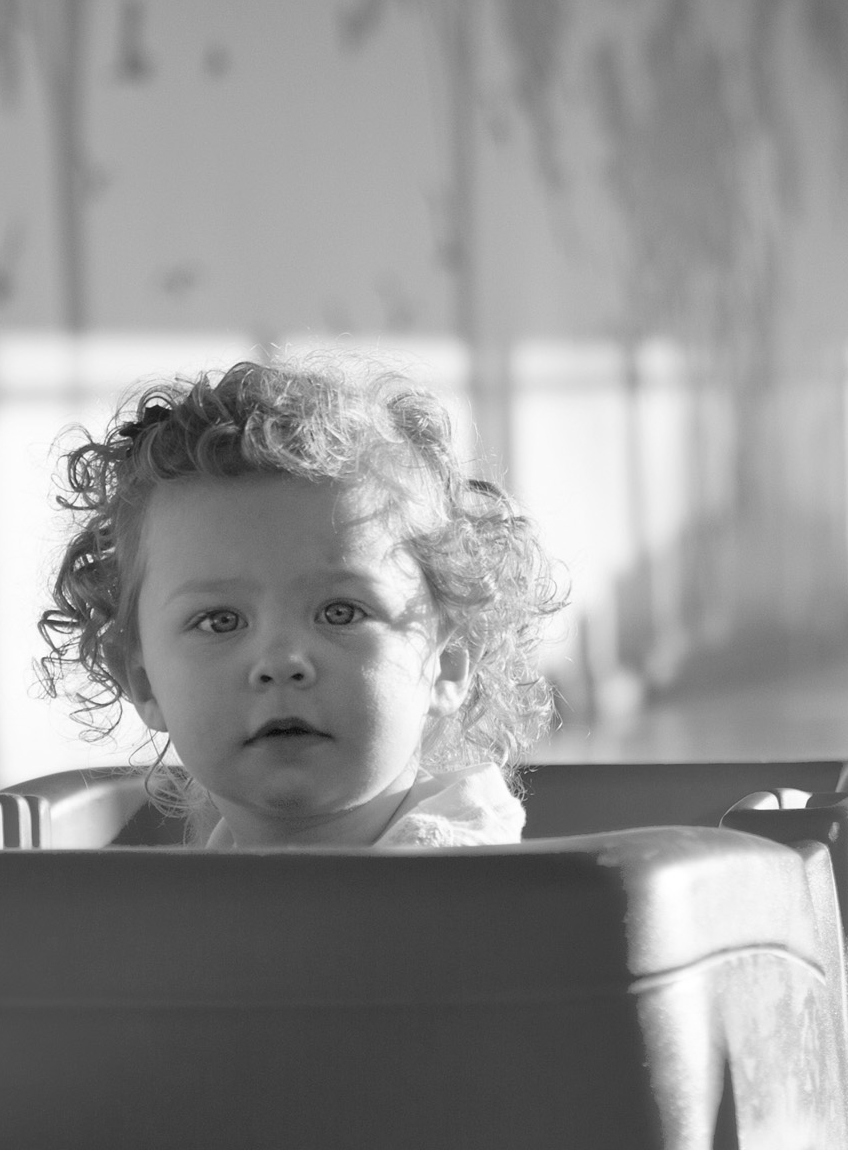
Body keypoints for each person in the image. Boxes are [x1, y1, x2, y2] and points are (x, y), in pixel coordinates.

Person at [38, 357, 565, 848]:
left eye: (341, 612)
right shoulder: (196, 894)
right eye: (220, 621)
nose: (281, 662)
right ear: (143, 681)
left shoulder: (473, 891)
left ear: (447, 663)